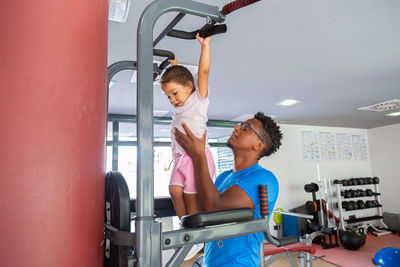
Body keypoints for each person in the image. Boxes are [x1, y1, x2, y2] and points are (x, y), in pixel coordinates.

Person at [174, 112, 283, 266]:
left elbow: (213, 207)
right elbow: (200, 214)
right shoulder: (223, 177)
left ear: (258, 146)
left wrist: (199, 156)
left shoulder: (264, 178)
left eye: (246, 127)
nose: (237, 127)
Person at [160, 33, 216, 219]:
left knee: (190, 197)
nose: (172, 99)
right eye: (168, 96)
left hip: (197, 158)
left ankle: (193, 232)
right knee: (175, 190)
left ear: (189, 86)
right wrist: (174, 66)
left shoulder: (199, 100)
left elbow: (203, 72)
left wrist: (205, 46)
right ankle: (185, 225)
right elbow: (179, 80)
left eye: (174, 93)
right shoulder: (181, 104)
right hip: (181, 159)